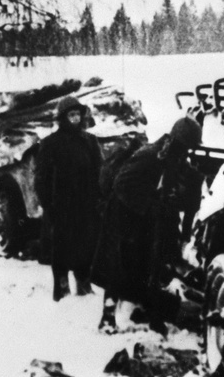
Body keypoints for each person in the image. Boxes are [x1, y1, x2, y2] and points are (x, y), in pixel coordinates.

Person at [91, 115, 204, 333]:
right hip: (123, 219)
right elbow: (121, 184)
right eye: (185, 147)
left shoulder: (173, 160)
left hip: (141, 221)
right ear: (177, 142)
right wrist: (150, 205)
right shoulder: (150, 155)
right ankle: (107, 319)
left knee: (140, 269)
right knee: (117, 268)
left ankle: (143, 314)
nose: (186, 153)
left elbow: (175, 196)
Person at [35, 95, 103, 301]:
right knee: (61, 249)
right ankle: (62, 288)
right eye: (71, 115)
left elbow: (99, 172)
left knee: (86, 246)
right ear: (63, 118)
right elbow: (41, 178)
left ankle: (83, 284)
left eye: (77, 114)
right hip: (61, 206)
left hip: (86, 205)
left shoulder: (90, 141)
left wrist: (98, 199)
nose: (75, 118)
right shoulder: (51, 144)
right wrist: (48, 205)